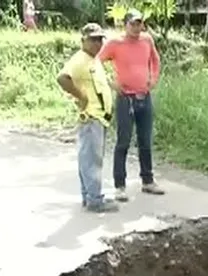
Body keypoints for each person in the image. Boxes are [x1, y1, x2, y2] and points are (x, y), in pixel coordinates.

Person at [97, 9, 165, 202]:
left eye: (139, 24)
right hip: (125, 98)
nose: (136, 28)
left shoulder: (147, 40)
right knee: (123, 141)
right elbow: (97, 62)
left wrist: (154, 77)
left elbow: (155, 59)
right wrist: (111, 82)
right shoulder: (115, 43)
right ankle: (120, 185)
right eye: (132, 24)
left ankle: (148, 180)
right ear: (125, 24)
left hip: (144, 96)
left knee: (145, 140)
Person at [56, 23, 118, 213]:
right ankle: (94, 200)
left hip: (99, 117)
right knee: (92, 159)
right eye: (93, 39)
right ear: (83, 40)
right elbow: (62, 78)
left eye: (100, 39)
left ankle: (89, 196)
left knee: (89, 158)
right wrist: (81, 96)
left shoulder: (93, 59)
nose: (97, 43)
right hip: (91, 117)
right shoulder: (80, 59)